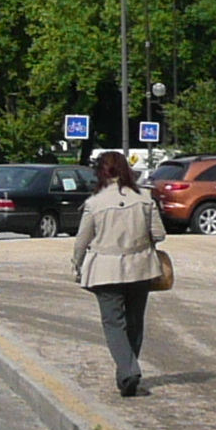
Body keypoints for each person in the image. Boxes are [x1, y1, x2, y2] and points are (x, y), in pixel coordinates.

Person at [70, 149, 167, 397]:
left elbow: (82, 239)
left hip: (105, 269)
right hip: (140, 266)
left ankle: (127, 371)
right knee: (135, 322)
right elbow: (159, 235)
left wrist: (77, 264)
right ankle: (126, 373)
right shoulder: (145, 198)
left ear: (100, 173)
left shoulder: (94, 203)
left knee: (113, 323)